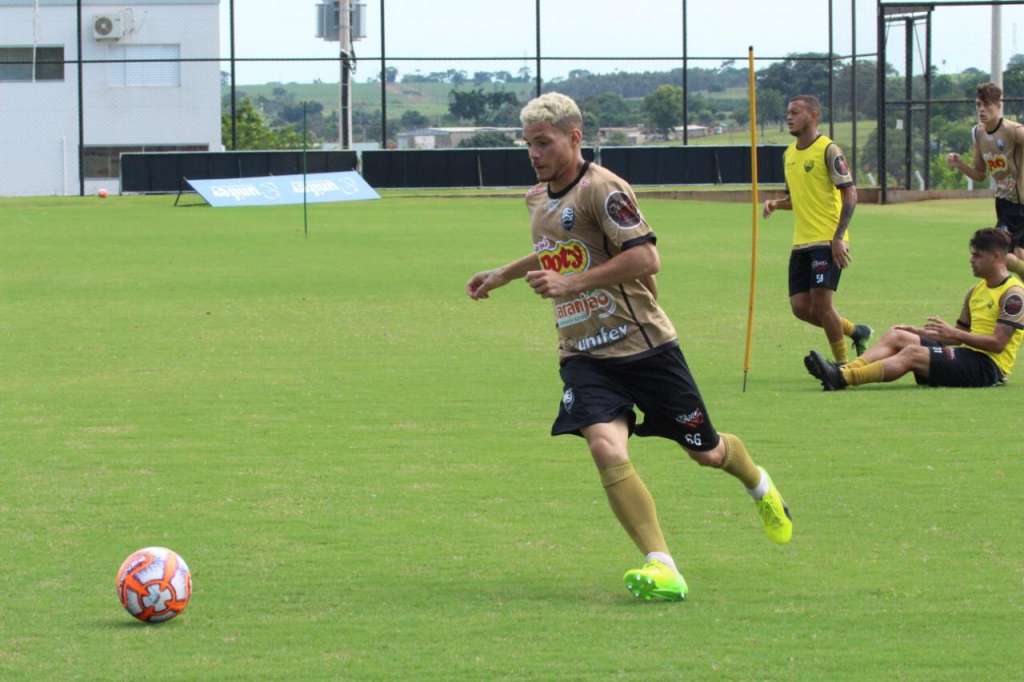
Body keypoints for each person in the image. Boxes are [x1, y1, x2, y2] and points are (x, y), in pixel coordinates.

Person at [466, 92, 792, 603]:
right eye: (528, 145)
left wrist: (574, 284)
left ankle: (758, 484)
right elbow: (552, 251)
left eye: (544, 143)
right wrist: (503, 274)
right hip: (583, 354)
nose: (535, 154)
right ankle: (662, 565)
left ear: (574, 137)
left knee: (705, 452)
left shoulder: (605, 189)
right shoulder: (537, 198)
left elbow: (645, 259)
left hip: (645, 347)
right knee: (603, 445)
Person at [805, 228, 1024, 390]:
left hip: (989, 368)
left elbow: (997, 344)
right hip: (968, 356)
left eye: (977, 255)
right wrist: (920, 332)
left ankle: (843, 379)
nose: (971, 260)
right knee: (898, 335)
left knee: (912, 353)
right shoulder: (975, 290)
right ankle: (844, 369)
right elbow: (955, 338)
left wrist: (955, 333)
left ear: (996, 257)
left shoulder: (1013, 295)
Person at [763, 95, 873, 365]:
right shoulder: (788, 154)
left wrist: (839, 237)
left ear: (814, 115)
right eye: (788, 112)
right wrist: (776, 204)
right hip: (801, 242)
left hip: (827, 240)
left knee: (823, 304)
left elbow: (850, 194)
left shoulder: (829, 150)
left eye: (796, 112)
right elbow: (797, 199)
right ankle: (856, 332)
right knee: (800, 308)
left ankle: (844, 365)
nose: (789, 117)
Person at [947, 82, 1024, 279]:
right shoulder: (978, 133)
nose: (982, 109)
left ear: (999, 106)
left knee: (1007, 254)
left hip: (1021, 204)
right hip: (1004, 204)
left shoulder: (1013, 131)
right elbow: (980, 175)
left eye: (987, 105)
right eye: (978, 105)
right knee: (1007, 254)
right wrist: (960, 164)